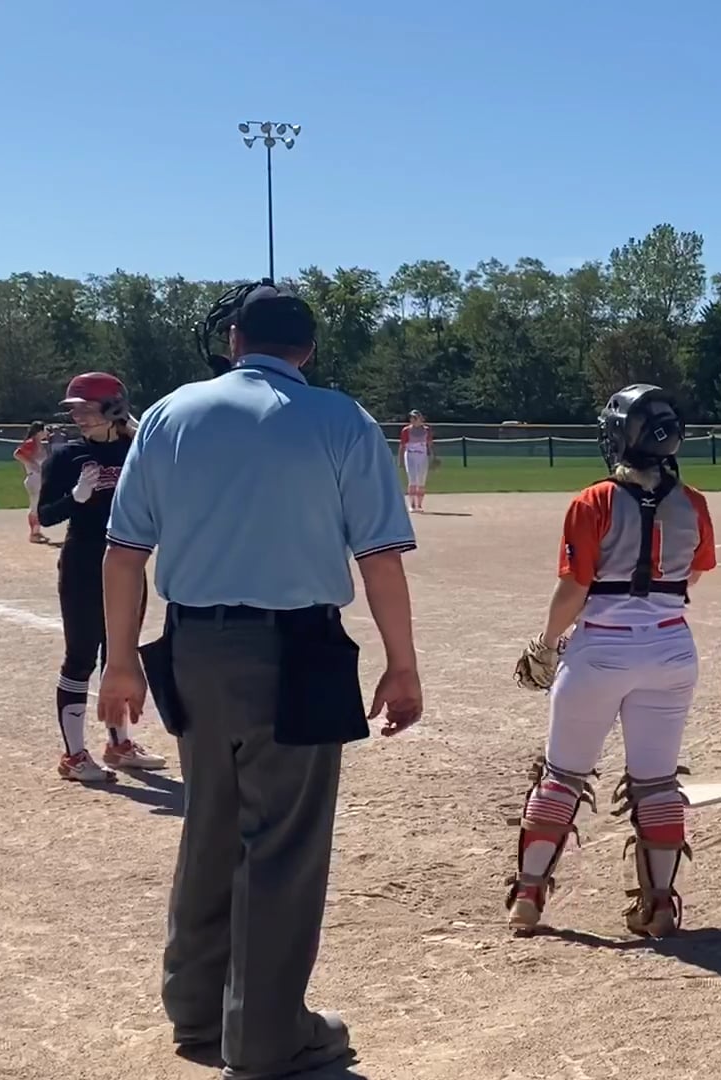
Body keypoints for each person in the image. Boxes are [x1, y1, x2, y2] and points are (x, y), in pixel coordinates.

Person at [97, 281, 423, 1078]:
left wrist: (122, 660)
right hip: (296, 649)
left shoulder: (169, 413)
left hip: (193, 645)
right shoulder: (341, 419)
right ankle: (268, 1035)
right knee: (283, 842)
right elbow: (378, 558)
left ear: (235, 340)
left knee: (211, 821)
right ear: (306, 349)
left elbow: (124, 554)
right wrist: (402, 663)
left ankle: (196, 1010)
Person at [507, 383, 715, 940]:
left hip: (600, 649)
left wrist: (547, 643)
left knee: (561, 775)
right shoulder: (693, 503)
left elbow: (574, 589)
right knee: (657, 781)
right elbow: (693, 574)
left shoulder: (593, 501)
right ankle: (660, 905)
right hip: (671, 649)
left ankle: (528, 896)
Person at [36, 376, 164, 782]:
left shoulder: (135, 450)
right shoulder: (67, 456)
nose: (78, 416)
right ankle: (74, 755)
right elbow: (46, 516)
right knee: (80, 656)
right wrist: (75, 497)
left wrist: (139, 433)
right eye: (74, 409)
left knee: (119, 653)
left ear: (113, 408)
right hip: (82, 562)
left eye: (87, 408)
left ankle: (119, 744)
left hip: (127, 564)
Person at [15, 420, 49, 543]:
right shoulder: (31, 442)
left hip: (39, 478)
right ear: (39, 431)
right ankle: (33, 534)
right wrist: (32, 464)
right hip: (34, 478)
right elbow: (18, 454)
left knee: (38, 505)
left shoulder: (39, 444)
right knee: (35, 506)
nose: (46, 432)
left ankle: (36, 531)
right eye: (44, 430)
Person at [399, 409, 434, 512]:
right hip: (410, 455)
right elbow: (402, 446)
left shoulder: (426, 430)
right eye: (411, 418)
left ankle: (419, 505)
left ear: (420, 418)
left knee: (421, 481)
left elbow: (430, 444)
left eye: (415, 418)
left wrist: (433, 456)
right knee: (412, 479)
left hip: (422, 456)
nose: (413, 420)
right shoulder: (406, 430)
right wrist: (400, 460)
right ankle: (412, 505)